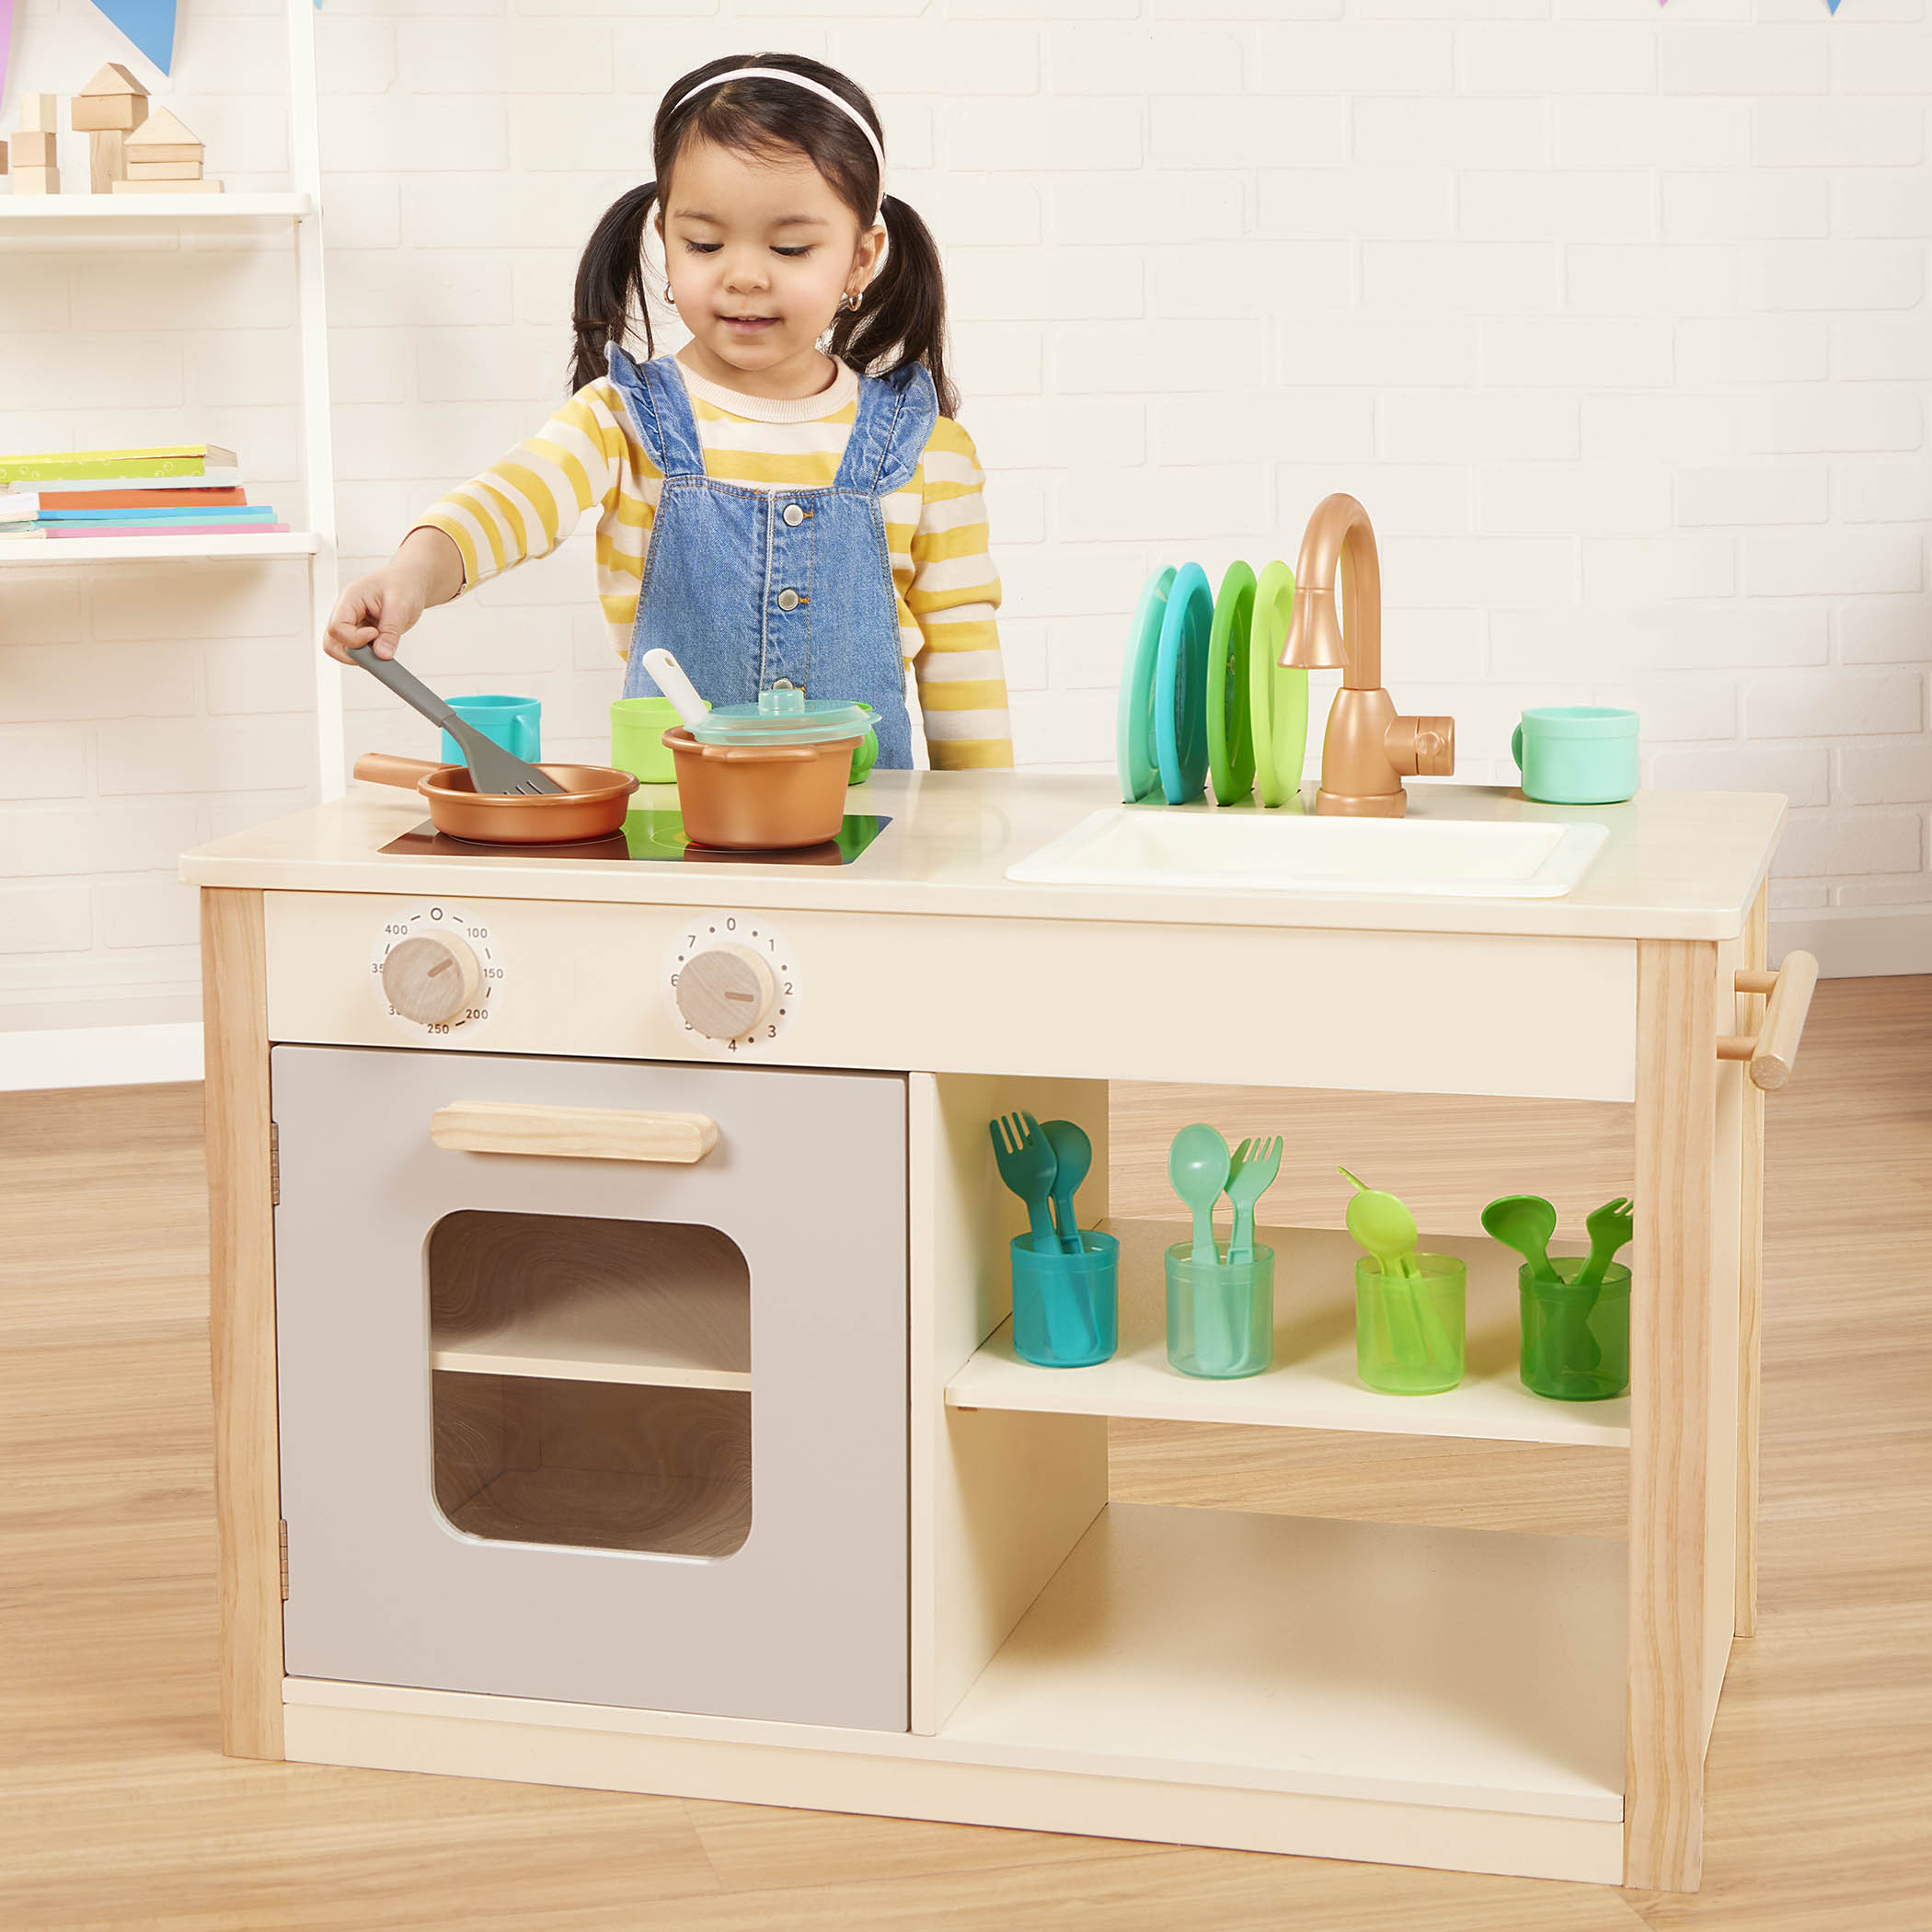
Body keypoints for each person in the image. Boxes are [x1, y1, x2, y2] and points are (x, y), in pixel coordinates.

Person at [323, 53, 1012, 773]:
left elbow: (964, 657)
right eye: (704, 244)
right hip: (674, 829)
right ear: (664, 241)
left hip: (872, 838)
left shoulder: (927, 449)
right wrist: (410, 573)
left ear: (860, 259)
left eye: (790, 247)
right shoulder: (624, 419)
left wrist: (984, 827)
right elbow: (509, 503)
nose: (744, 274)